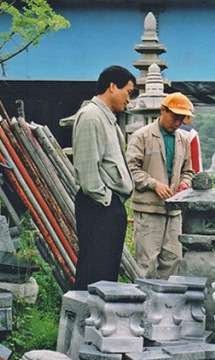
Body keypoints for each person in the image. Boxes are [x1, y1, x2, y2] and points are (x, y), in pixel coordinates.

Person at [70, 65, 137, 290]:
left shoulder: (106, 117)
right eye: (128, 92)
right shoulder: (91, 116)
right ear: (112, 87)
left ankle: (102, 323)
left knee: (107, 273)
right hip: (99, 205)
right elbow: (88, 170)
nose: (129, 99)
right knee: (94, 272)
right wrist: (106, 200)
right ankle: (87, 321)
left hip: (109, 204)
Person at [126, 92, 196, 279]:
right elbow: (131, 168)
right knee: (147, 262)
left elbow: (189, 171)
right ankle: (146, 305)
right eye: (175, 117)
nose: (177, 123)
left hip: (174, 211)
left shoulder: (183, 139)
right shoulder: (141, 136)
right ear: (162, 111)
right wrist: (153, 184)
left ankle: (168, 305)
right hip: (148, 208)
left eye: (182, 119)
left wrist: (184, 185)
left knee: (173, 260)